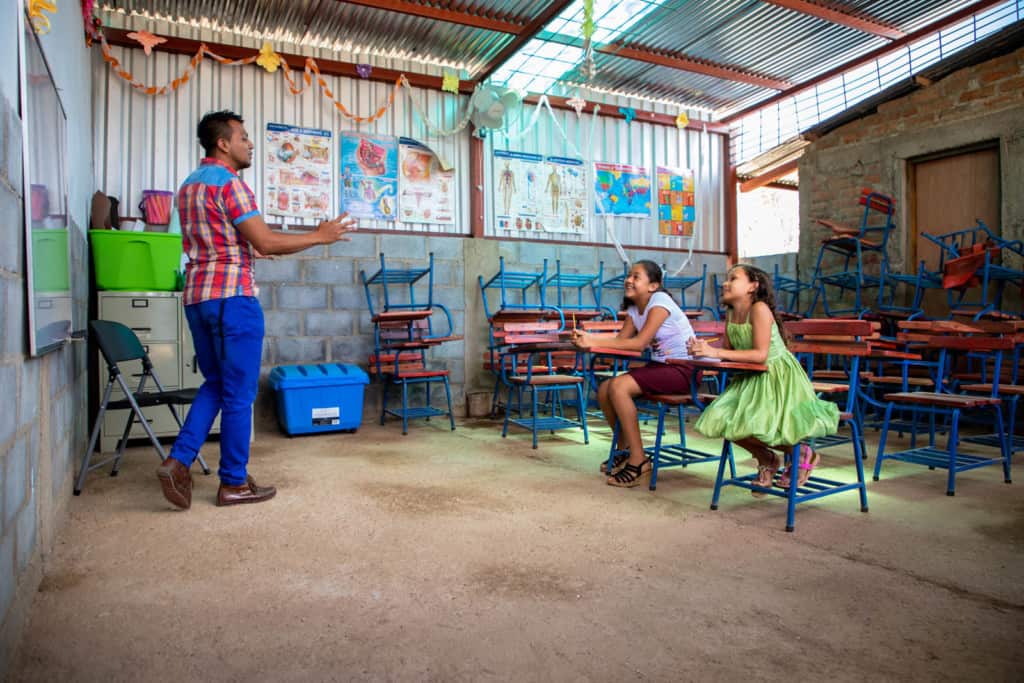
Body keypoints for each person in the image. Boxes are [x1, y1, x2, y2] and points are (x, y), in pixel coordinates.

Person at [156, 110, 358, 509]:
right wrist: (320, 236)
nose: (249, 144)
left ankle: (178, 462)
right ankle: (233, 482)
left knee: (215, 384)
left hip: (198, 297)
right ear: (223, 144)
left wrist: (256, 253)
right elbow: (264, 241)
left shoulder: (188, 186)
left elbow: (230, 245)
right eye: (243, 137)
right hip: (233, 300)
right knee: (239, 394)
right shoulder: (231, 185)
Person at [688, 265, 838, 492]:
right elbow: (728, 348)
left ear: (753, 286)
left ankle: (801, 452)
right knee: (720, 419)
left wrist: (715, 353)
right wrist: (702, 348)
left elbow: (760, 354)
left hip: (777, 377)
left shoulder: (759, 309)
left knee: (755, 423)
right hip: (749, 377)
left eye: (733, 278)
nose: (725, 283)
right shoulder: (731, 312)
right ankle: (767, 458)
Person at [571, 261, 701, 488]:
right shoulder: (633, 308)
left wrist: (592, 340)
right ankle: (626, 449)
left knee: (619, 386)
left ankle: (639, 460)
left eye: (636, 276)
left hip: (685, 370)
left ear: (653, 286)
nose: (629, 280)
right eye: (629, 275)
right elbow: (622, 341)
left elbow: (639, 343)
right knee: (605, 389)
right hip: (662, 367)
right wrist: (587, 339)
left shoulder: (660, 302)